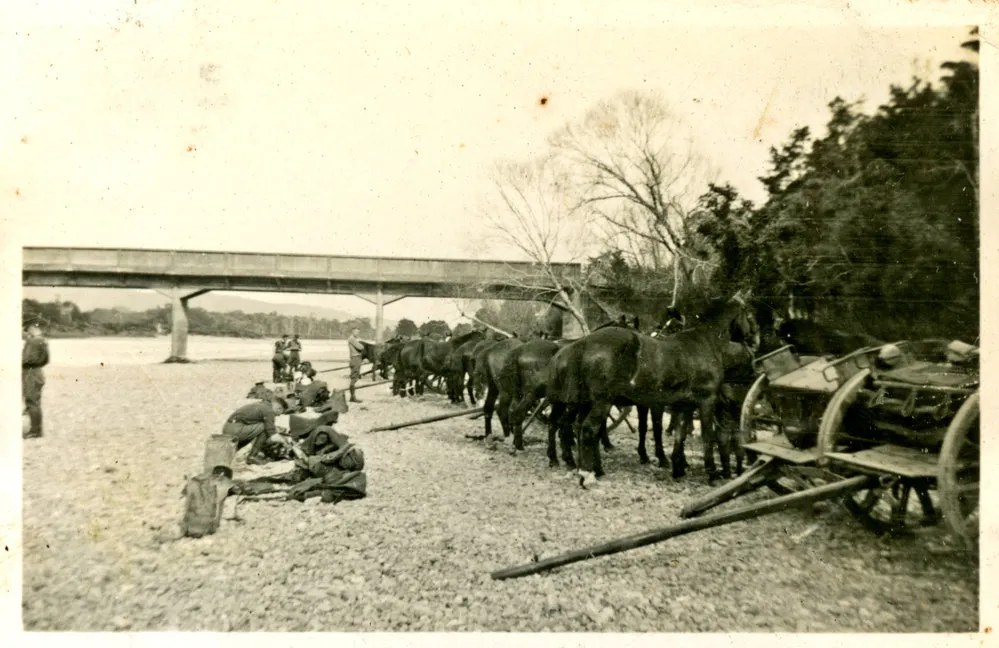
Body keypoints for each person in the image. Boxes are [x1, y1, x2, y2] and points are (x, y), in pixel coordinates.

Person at [222, 397, 288, 465]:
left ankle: (228, 459)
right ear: (279, 408)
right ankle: (252, 456)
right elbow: (272, 435)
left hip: (228, 427)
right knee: (264, 427)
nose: (278, 415)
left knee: (260, 429)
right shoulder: (269, 411)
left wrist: (274, 429)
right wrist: (285, 442)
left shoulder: (261, 405)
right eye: (280, 413)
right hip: (236, 430)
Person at [22, 321, 49, 439]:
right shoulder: (43, 340)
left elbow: (26, 359)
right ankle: (37, 429)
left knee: (31, 402)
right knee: (36, 402)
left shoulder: (33, 342)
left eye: (27, 330)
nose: (26, 332)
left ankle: (35, 430)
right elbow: (46, 360)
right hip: (38, 371)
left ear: (31, 328)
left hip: (31, 372)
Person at [346, 327, 365, 403]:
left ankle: (352, 396)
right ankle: (352, 397)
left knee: (355, 377)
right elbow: (361, 347)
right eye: (356, 332)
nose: (357, 333)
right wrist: (360, 343)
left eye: (358, 332)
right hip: (355, 359)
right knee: (354, 378)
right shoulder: (351, 339)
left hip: (356, 358)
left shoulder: (353, 339)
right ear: (352, 331)